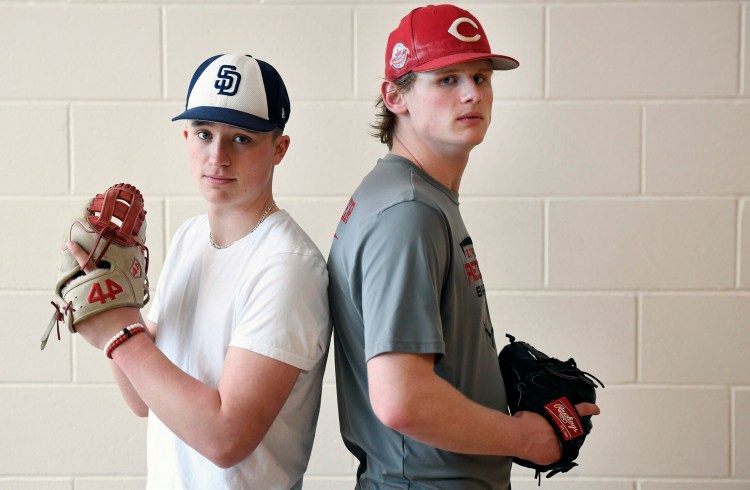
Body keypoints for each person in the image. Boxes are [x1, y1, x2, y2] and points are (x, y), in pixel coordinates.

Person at [326, 5, 600, 488]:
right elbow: (401, 399)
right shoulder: (408, 213)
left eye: (480, 75)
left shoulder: (414, 195)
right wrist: (524, 437)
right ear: (395, 96)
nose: (473, 92)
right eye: (447, 79)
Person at [66, 53, 332, 489]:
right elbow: (143, 400)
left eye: (241, 138)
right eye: (204, 134)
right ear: (186, 136)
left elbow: (226, 437)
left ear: (279, 149)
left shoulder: (287, 267)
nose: (217, 156)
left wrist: (120, 335)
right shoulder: (190, 238)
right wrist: (116, 302)